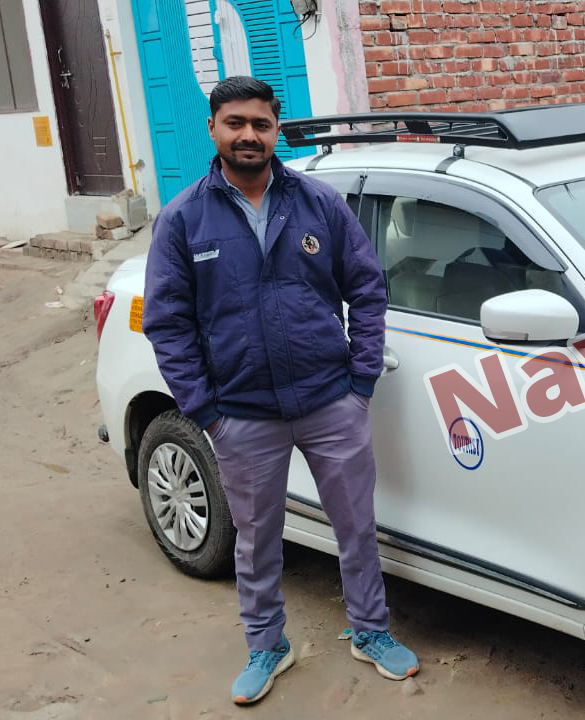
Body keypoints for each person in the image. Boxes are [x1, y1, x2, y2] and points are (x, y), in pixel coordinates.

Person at [141, 75, 417, 705]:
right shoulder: (183, 220)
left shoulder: (319, 204)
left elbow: (367, 289)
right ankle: (267, 645)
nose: (249, 135)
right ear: (213, 128)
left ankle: (371, 631)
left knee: (356, 527)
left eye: (260, 124)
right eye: (235, 123)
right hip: (242, 416)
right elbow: (167, 323)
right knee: (257, 538)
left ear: (275, 131)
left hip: (330, 402)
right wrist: (206, 411)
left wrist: (361, 381)